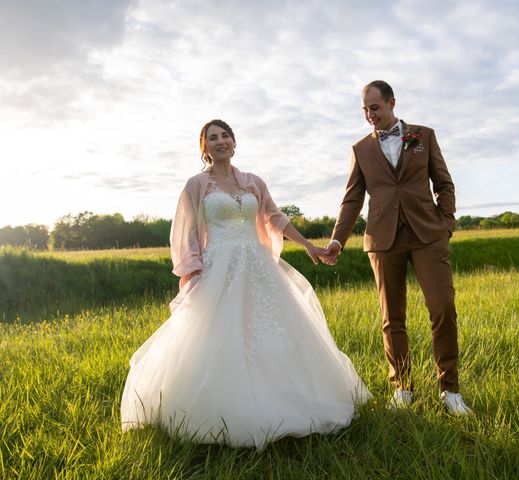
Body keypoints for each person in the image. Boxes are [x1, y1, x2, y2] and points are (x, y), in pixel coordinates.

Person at [121, 119, 370, 449]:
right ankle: (223, 407)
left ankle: (288, 399)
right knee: (217, 338)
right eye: (212, 137)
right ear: (204, 148)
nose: (220, 141)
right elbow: (186, 232)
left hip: (257, 264)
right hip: (216, 268)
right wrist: (192, 271)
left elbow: (274, 217)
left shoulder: (253, 182)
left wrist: (308, 245)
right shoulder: (196, 185)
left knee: (274, 332)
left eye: (226, 135)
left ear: (234, 143)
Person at [323, 81, 471, 415]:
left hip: (428, 235)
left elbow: (444, 184)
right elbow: (352, 199)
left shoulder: (424, 136)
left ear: (391, 103)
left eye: (374, 108)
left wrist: (446, 223)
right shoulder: (360, 149)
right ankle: (402, 388)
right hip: (383, 239)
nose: (369, 115)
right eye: (364, 110)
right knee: (392, 318)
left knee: (443, 307)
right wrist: (337, 239)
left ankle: (450, 391)